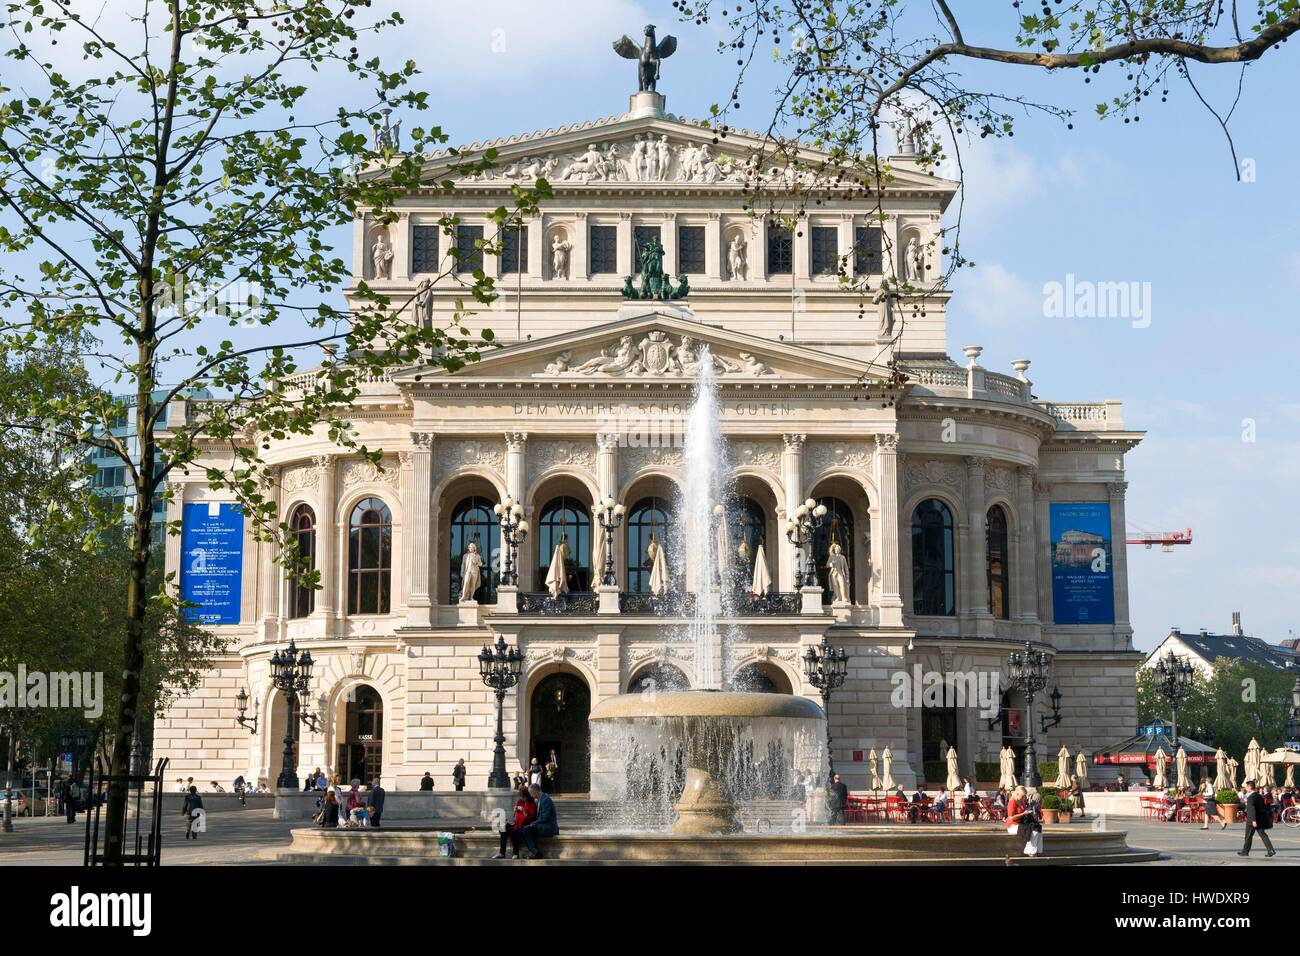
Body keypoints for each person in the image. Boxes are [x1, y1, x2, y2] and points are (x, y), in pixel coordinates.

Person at [493, 784, 537, 859]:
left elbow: (531, 819)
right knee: (503, 828)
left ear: (527, 796)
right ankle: (501, 853)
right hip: (516, 824)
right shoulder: (520, 802)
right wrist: (513, 813)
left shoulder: (531, 804)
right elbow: (515, 817)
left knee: (514, 832)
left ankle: (515, 853)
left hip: (524, 826)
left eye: (522, 797)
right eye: (520, 797)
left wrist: (523, 811)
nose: (521, 798)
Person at [518, 783, 558, 859]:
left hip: (548, 827)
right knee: (523, 830)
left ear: (535, 791)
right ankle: (535, 851)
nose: (531, 796)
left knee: (525, 830)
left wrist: (533, 824)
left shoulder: (545, 799)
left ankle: (535, 853)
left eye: (531, 793)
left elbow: (545, 817)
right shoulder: (541, 799)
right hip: (543, 825)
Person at [1238, 780, 1276, 858]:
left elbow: (1251, 810)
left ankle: (1245, 851)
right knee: (1263, 835)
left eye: (1246, 786)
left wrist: (1253, 820)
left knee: (1248, 836)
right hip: (1260, 818)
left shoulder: (1250, 798)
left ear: (1249, 787)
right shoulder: (1259, 796)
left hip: (1252, 820)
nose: (1245, 788)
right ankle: (1271, 850)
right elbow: (1263, 808)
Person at [1007, 785, 1042, 857]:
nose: (1023, 798)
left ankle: (1038, 850)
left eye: (1024, 796)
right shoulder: (1012, 802)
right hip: (1013, 826)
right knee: (1032, 828)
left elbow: (1024, 811)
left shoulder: (1021, 801)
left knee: (1038, 827)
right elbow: (1011, 818)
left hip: (1021, 824)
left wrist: (1028, 811)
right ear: (1017, 794)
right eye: (1022, 796)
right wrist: (1024, 813)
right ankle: (1030, 851)